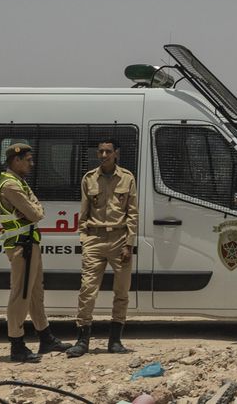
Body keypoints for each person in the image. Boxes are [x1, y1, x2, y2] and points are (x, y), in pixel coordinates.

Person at [0, 142, 72, 361]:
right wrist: (34, 209)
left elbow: (36, 208)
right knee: (21, 295)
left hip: (29, 243)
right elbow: (36, 213)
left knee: (36, 293)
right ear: (16, 160)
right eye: (28, 160)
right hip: (22, 246)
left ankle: (45, 338)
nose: (32, 164)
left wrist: (34, 208)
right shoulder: (11, 185)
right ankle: (17, 345)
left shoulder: (19, 182)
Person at [66, 139, 138, 358]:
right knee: (87, 290)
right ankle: (82, 340)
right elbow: (84, 212)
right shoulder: (89, 178)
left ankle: (115, 341)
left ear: (116, 153)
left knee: (122, 291)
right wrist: (84, 239)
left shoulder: (127, 178)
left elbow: (132, 213)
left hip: (119, 239)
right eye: (101, 152)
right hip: (95, 239)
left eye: (108, 151)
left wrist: (129, 244)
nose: (104, 155)